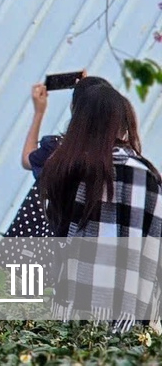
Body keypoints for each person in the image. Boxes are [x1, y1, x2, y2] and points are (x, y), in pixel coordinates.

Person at [33, 76, 160, 321]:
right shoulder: (143, 173)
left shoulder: (63, 166)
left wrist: (38, 112)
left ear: (78, 120)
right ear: (121, 122)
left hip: (72, 304)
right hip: (130, 308)